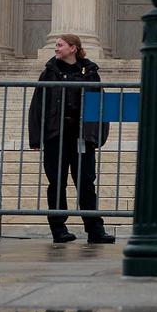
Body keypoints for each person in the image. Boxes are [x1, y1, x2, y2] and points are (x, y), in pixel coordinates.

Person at [28, 35, 115, 244]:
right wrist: (36, 137)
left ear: (73, 48)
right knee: (56, 183)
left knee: (86, 183)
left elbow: (100, 105)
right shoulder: (48, 73)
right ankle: (59, 229)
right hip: (55, 136)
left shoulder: (91, 73)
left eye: (60, 45)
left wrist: (97, 137)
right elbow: (38, 105)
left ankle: (95, 230)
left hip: (81, 136)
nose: (56, 48)